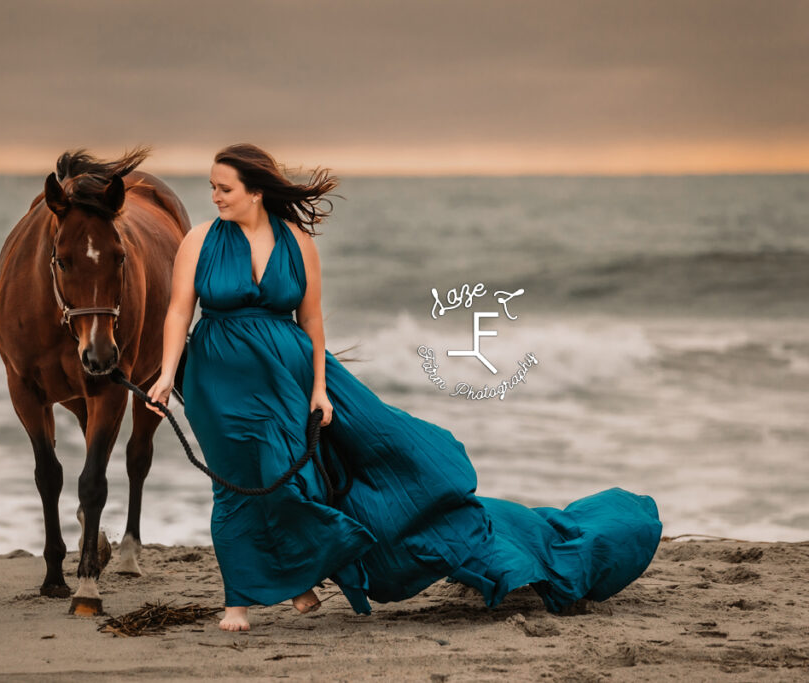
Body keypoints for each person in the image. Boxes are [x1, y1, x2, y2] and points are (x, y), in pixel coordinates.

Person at [145, 143, 662, 632]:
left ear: (255, 191)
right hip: (219, 377)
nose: (214, 197)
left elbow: (311, 323)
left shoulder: (296, 242)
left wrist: (321, 389)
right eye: (212, 187)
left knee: (304, 475)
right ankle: (241, 598)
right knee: (236, 484)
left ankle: (303, 574)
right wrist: (168, 374)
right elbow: (178, 311)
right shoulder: (200, 240)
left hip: (290, 374)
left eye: (224, 188)